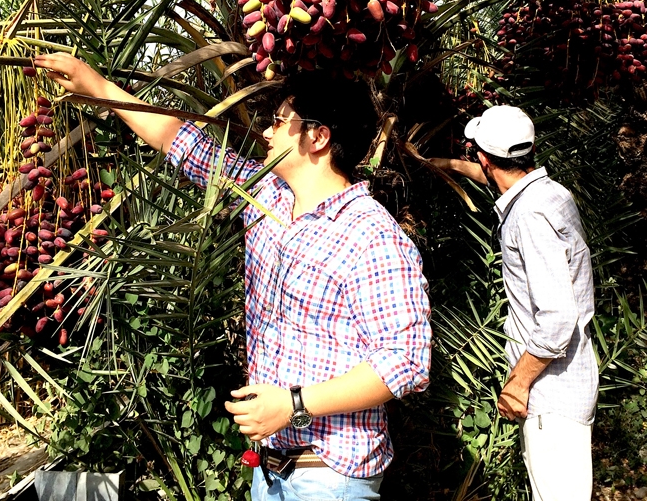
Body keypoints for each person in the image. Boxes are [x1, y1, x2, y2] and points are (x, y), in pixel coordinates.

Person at [33, 53, 432, 501]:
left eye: (279, 122)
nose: (267, 132)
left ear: (317, 137)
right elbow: (182, 143)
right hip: (269, 471)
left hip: (331, 478)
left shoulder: (371, 234)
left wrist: (294, 405)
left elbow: (405, 363)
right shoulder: (266, 197)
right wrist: (98, 86)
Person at [431, 105, 597, 501]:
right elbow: (496, 177)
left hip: (550, 394)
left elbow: (558, 316)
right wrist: (446, 165)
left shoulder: (529, 216)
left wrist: (518, 384)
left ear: (485, 158)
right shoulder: (550, 193)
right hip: (568, 385)